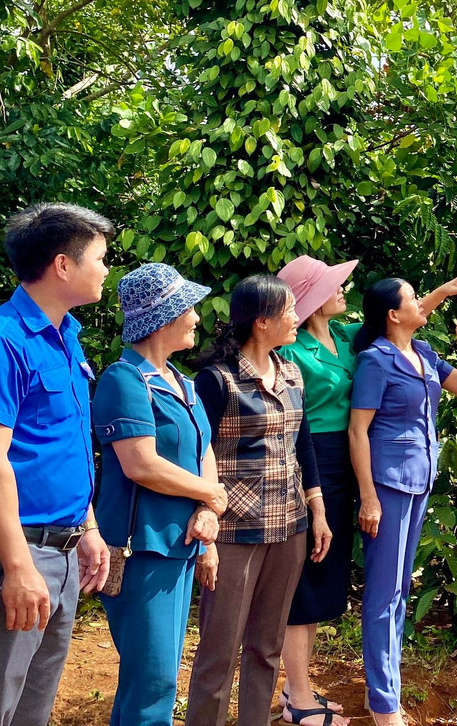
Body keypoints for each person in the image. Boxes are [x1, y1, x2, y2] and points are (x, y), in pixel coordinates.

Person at [0, 203, 115, 726]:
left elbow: (62, 447)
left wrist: (87, 527)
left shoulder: (66, 335)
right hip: (8, 554)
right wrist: (18, 566)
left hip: (60, 552)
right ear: (63, 265)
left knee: (31, 711)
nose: (106, 269)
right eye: (100, 258)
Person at [186, 275, 332, 726]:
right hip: (234, 532)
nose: (297, 318)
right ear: (262, 321)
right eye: (289, 311)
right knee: (219, 650)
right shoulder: (216, 381)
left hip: (289, 527)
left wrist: (317, 509)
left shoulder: (291, 372)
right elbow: (195, 452)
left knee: (267, 648)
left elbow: (303, 444)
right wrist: (204, 525)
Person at [92, 263, 226, 726]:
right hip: (143, 548)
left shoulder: (183, 384)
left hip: (182, 545)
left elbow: (203, 450)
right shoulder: (124, 380)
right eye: (188, 307)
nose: (196, 317)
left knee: (153, 678)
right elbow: (141, 464)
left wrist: (209, 510)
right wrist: (213, 494)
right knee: (153, 680)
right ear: (162, 318)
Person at [350, 277, 457, 726]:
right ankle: (384, 704)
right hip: (387, 485)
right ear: (393, 314)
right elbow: (358, 432)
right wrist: (368, 497)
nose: (420, 304)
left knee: (400, 592)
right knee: (384, 595)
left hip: (419, 481)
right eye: (412, 298)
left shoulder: (422, 353)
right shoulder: (375, 360)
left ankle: (387, 692)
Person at [276, 254, 361, 726]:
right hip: (312, 460)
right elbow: (292, 424)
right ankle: (299, 697)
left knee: (323, 572)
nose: (342, 289)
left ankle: (297, 688)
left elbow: (400, 318)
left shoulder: (345, 336)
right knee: (306, 576)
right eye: (332, 285)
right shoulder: (292, 351)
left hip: (345, 461)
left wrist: (441, 295)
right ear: (311, 300)